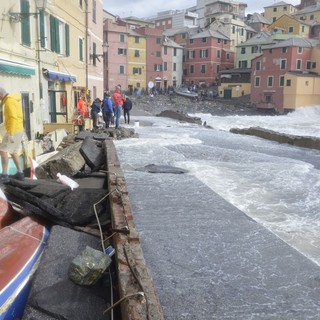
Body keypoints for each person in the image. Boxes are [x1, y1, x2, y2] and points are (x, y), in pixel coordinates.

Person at [0, 87, 26, 181]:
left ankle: (4, 174)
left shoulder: (9, 102)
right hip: (18, 129)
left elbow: (13, 118)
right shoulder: (11, 99)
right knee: (13, 151)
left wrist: (11, 133)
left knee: (3, 150)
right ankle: (20, 173)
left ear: (1, 94)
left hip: (13, 130)